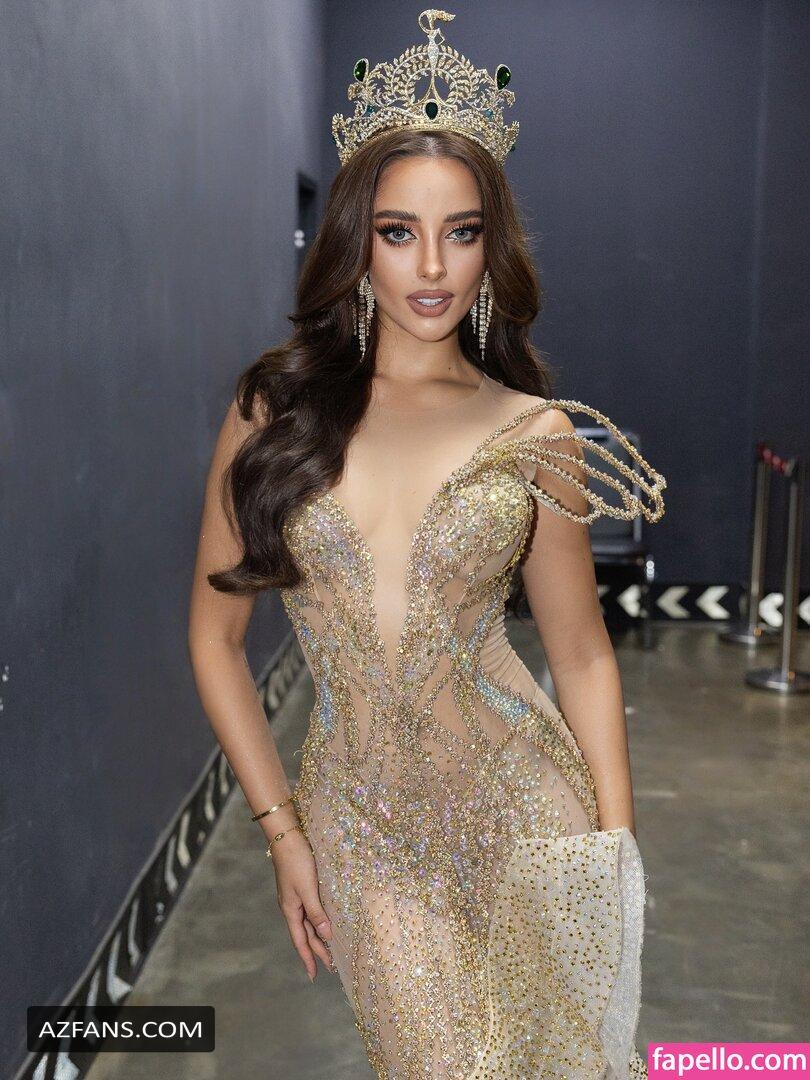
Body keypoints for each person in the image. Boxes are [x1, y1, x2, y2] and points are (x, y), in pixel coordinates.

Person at [188, 9, 666, 1078]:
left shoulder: (534, 431)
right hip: (366, 834)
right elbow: (213, 640)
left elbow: (582, 653)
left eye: (463, 230)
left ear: (494, 246)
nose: (433, 265)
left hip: (528, 807)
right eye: (400, 231)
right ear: (357, 240)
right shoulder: (272, 412)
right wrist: (283, 832)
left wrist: (612, 858)